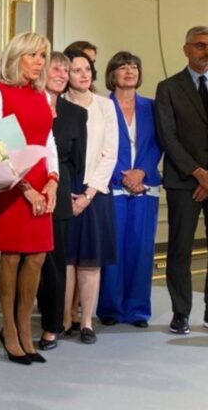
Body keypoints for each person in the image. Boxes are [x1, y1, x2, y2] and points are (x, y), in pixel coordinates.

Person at [0, 31, 59, 365]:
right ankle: (10, 330)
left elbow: (49, 141)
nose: (39, 62)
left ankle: (26, 328)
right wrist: (24, 187)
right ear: (17, 57)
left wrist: (53, 181)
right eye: (33, 55)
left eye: (43, 56)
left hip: (42, 181)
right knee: (12, 257)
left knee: (38, 256)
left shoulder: (42, 95)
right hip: (12, 183)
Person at [97, 51, 162, 328]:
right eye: (123, 67)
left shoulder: (153, 107)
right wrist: (122, 175)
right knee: (113, 249)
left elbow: (161, 142)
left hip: (145, 186)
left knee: (141, 248)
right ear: (112, 74)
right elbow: (97, 147)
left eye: (134, 66)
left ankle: (137, 310)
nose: (129, 71)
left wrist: (142, 172)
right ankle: (110, 308)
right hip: (113, 185)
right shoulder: (101, 106)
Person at [62, 49, 118, 344]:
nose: (83, 75)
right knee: (67, 258)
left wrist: (88, 193)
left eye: (87, 69)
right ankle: (64, 319)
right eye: (76, 70)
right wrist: (68, 191)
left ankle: (86, 321)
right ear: (65, 74)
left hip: (96, 191)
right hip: (65, 188)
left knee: (90, 261)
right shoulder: (58, 104)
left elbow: (110, 153)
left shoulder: (105, 105)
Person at [155, 26, 208, 334]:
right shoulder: (169, 88)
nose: (205, 50)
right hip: (183, 181)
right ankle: (181, 313)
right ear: (186, 49)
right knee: (179, 249)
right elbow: (167, 137)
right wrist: (199, 173)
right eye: (200, 45)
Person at [35, 52, 87, 350]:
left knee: (55, 263)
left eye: (66, 70)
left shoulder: (77, 114)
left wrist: (60, 182)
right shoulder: (28, 102)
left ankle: (52, 326)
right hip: (26, 187)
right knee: (24, 261)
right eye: (56, 68)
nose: (62, 73)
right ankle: (15, 324)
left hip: (61, 191)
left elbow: (77, 162)